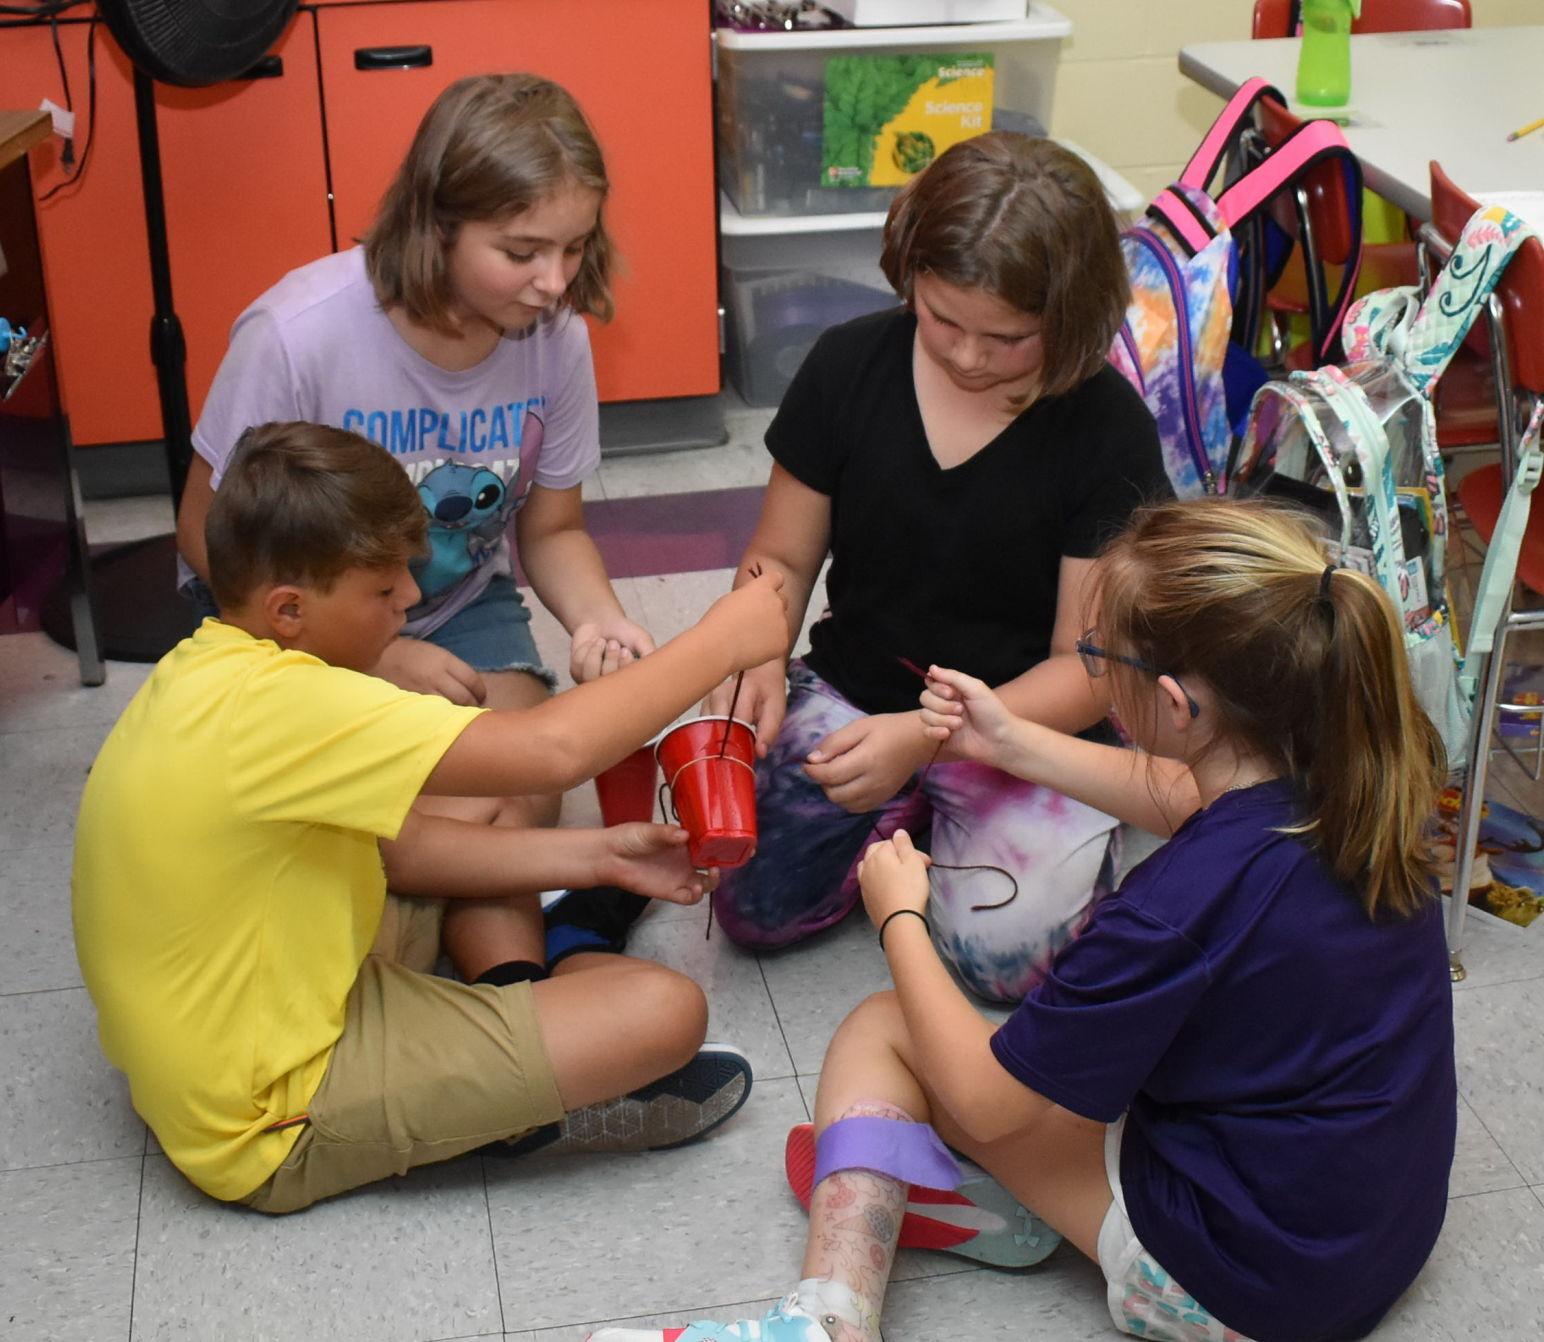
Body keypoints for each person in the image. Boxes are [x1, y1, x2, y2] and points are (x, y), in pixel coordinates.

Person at [600, 498, 1458, 1342]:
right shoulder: (1359, 788)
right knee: (1054, 1058)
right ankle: (996, 1210)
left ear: (1172, 704)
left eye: (1099, 657)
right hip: (1367, 1241)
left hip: (1241, 1286)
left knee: (886, 1029)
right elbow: (1187, 799)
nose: (1095, 669)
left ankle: (826, 1323)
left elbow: (989, 1101)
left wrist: (900, 912)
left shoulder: (1170, 911)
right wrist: (1004, 741)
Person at [73, 421, 789, 1214]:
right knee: (667, 1012)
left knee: (470, 803)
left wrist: (600, 856)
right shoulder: (294, 707)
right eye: (383, 590)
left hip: (244, 1012)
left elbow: (401, 854)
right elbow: (557, 751)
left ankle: (511, 1043)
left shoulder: (210, 664)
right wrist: (725, 638)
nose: (411, 599)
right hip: (265, 1117)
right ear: (288, 609)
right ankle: (507, 1111)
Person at [174, 74, 649, 964]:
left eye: (576, 246)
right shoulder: (296, 333)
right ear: (436, 226)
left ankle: (513, 1000)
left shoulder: (558, 337)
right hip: (301, 633)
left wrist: (598, 619)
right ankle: (506, 981)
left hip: (463, 613)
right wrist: (380, 655)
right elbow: (206, 532)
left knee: (496, 792)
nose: (554, 282)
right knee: (428, 814)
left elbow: (551, 531)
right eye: (520, 251)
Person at [704, 133, 1171, 1002]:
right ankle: (913, 819)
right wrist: (756, 656)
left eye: (1007, 339)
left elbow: (1091, 668)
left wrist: (924, 739)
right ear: (909, 268)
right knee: (752, 906)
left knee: (1010, 964)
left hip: (1027, 720)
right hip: (860, 686)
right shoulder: (848, 365)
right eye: (942, 318)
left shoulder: (1106, 428)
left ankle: (955, 817)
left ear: (1070, 317)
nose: (965, 356)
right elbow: (777, 558)